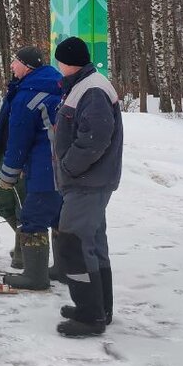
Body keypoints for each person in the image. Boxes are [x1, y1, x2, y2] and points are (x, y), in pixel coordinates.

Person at [52, 36, 124, 337]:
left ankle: (89, 314)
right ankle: (100, 308)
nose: (58, 66)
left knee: (74, 245)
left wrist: (68, 166)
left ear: (68, 62)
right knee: (92, 244)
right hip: (89, 181)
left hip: (86, 181)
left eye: (59, 61)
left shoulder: (91, 90)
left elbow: (95, 138)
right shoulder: (86, 85)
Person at [0, 46, 63, 289]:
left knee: (29, 214)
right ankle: (52, 265)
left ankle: (34, 272)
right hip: (54, 164)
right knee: (54, 214)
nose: (11, 66)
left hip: (34, 163)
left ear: (28, 66)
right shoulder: (48, 85)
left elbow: (19, 138)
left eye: (15, 62)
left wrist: (10, 172)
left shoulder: (29, 93)